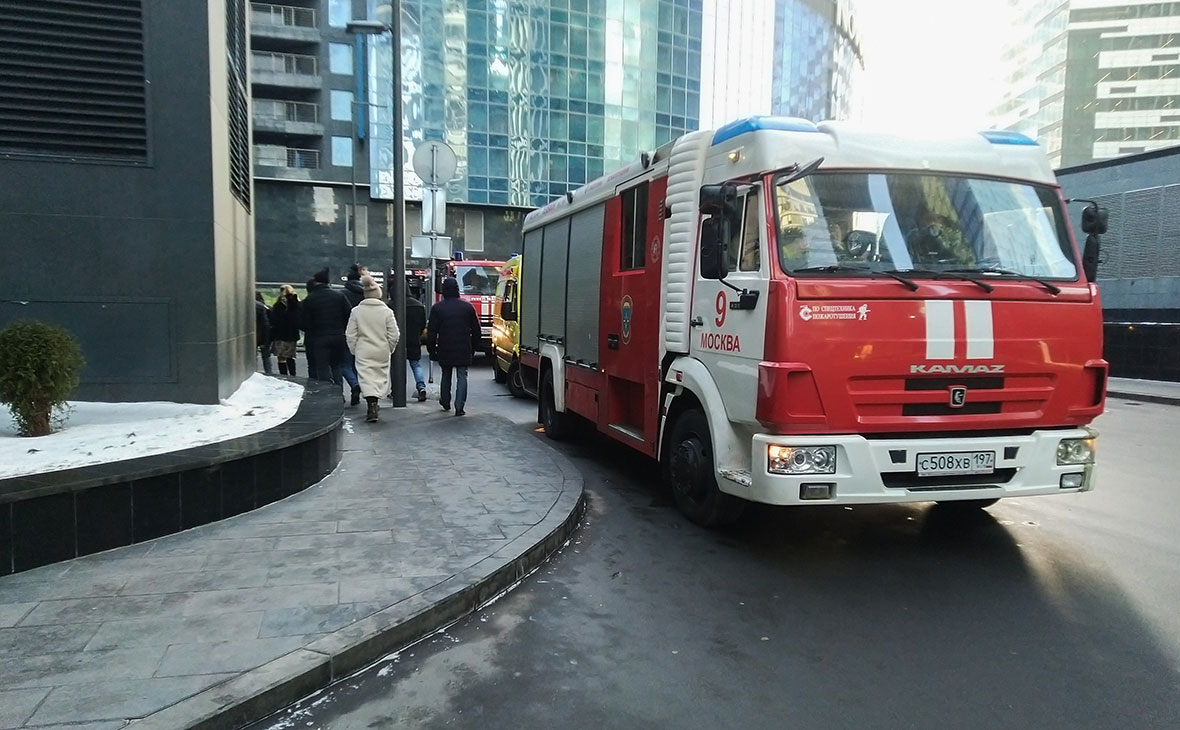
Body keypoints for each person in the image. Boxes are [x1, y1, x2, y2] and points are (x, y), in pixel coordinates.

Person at [346, 275, 400, 422]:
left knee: (366, 378)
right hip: (382, 349)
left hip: (363, 349)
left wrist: (354, 349)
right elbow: (394, 334)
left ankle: (371, 403)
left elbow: (350, 334)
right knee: (380, 377)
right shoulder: (387, 312)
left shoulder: (356, 311)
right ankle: (375, 401)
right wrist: (390, 348)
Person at [426, 276, 481, 416]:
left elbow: (431, 332)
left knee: (446, 375)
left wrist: (432, 350)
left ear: (444, 290)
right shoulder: (467, 307)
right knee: (462, 376)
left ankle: (445, 401)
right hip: (463, 347)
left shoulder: (437, 308)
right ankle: (459, 406)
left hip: (445, 347)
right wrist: (473, 348)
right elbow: (476, 330)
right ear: (457, 289)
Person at [300, 267, 353, 395]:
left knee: (322, 367)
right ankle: (339, 393)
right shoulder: (339, 296)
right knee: (336, 366)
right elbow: (349, 314)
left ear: (316, 282)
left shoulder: (310, 299)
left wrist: (311, 330)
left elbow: (302, 322)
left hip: (319, 337)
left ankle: (326, 394)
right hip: (338, 336)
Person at [269, 284, 302, 376]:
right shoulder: (297, 304)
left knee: (281, 358)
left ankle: (284, 375)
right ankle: (293, 375)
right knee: (291, 356)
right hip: (293, 335)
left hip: (280, 335)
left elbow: (273, 321)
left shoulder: (278, 305)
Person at [405, 284, 428, 401]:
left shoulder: (392, 305)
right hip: (414, 338)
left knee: (395, 366)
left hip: (398, 341)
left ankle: (396, 391)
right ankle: (421, 387)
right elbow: (423, 324)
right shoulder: (418, 306)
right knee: (415, 364)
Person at [255, 292, 273, 375]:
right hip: (263, 335)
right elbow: (266, 324)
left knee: (253, 356)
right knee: (266, 356)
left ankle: (253, 371)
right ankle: (269, 372)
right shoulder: (265, 308)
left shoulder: (254, 306)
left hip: (254, 335)